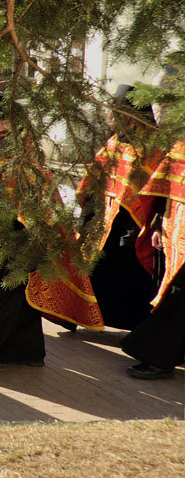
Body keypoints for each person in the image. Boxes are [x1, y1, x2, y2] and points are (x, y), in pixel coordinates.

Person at [0, 97, 104, 372]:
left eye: (4, 121)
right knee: (17, 297)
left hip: (21, 233)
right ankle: (26, 351)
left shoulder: (26, 154)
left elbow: (41, 196)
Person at [76, 86, 161, 330]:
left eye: (123, 116)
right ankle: (101, 316)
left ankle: (132, 320)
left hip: (136, 221)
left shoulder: (152, 146)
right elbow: (95, 174)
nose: (117, 121)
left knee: (128, 266)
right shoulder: (115, 142)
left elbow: (156, 187)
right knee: (102, 265)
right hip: (106, 215)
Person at [121, 138, 184, 379]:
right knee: (172, 292)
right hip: (175, 231)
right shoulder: (180, 147)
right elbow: (162, 189)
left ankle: (159, 358)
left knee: (176, 296)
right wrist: (157, 225)